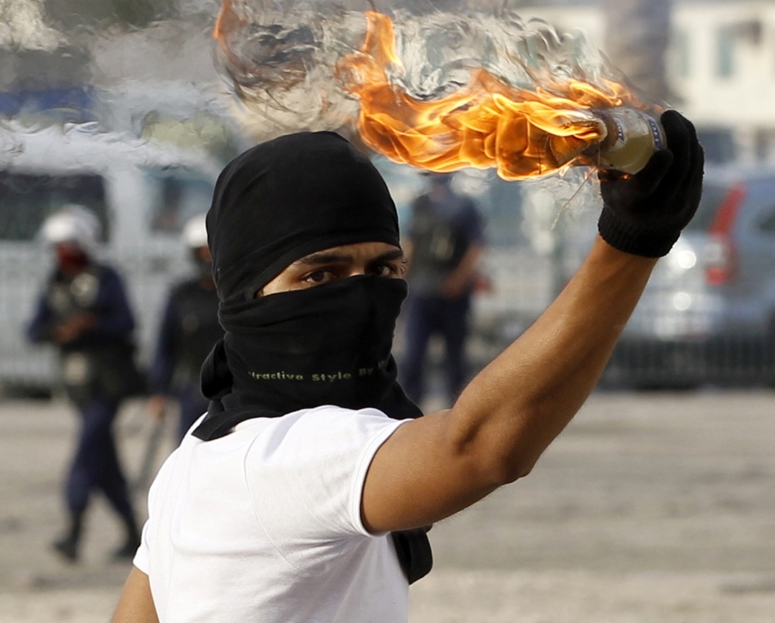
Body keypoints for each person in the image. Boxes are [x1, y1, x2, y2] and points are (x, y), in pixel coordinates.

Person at [112, 117, 703, 623]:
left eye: (384, 269)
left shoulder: (197, 457)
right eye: (319, 275)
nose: (361, 295)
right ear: (244, 292)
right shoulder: (286, 455)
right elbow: (479, 447)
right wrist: (630, 244)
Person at [27, 205, 143, 564]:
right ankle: (132, 534)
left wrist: (91, 324)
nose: (63, 254)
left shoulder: (106, 278)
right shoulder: (54, 283)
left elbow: (127, 322)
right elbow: (33, 330)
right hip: (77, 384)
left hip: (108, 383)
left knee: (86, 452)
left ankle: (73, 530)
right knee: (104, 461)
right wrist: (58, 332)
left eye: (69, 246)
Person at [400, 173, 485, 406]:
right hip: (422, 290)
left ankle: (457, 410)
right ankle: (410, 407)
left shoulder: (464, 207)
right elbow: (412, 243)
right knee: (414, 354)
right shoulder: (421, 204)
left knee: (455, 358)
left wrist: (459, 278)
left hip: (452, 292)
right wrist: (399, 275)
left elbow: (475, 246)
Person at [148, 215, 223, 441]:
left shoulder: (238, 293)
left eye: (212, 251)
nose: (208, 259)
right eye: (202, 252)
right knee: (190, 449)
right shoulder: (182, 296)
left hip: (236, 391)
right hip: (193, 390)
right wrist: (159, 392)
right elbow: (166, 345)